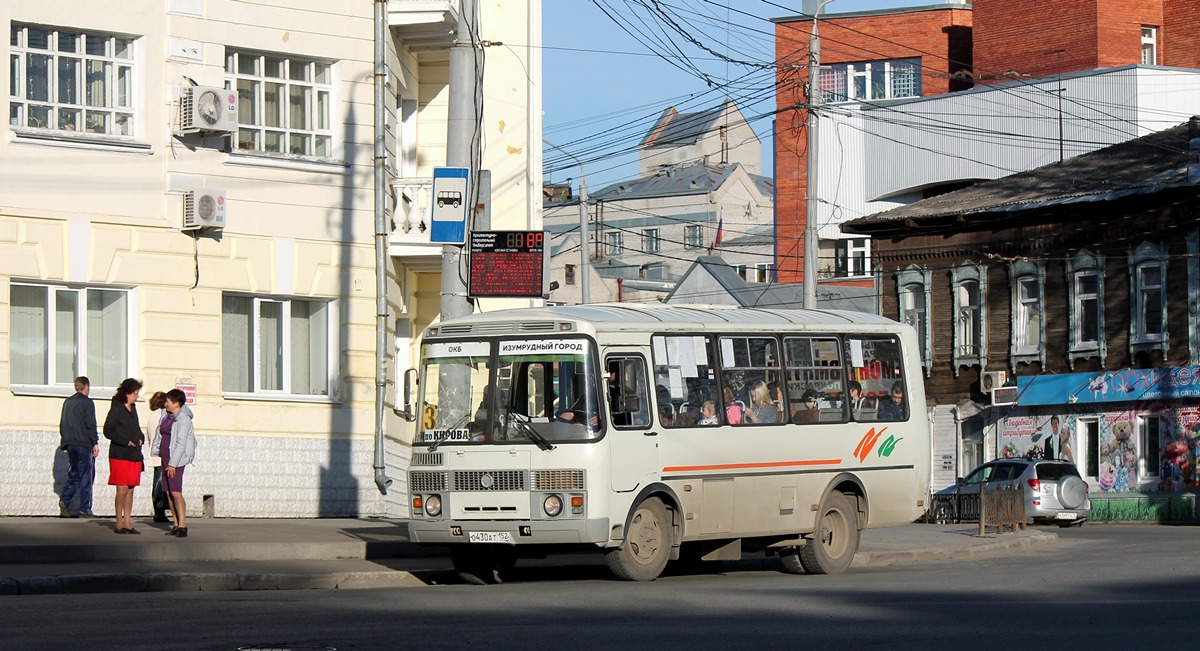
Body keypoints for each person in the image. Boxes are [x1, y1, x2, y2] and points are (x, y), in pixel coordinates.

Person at [152, 388, 197, 538]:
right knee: (169, 492)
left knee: (176, 492)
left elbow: (180, 443)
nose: (166, 403)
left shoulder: (183, 419)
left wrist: (173, 464)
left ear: (176, 403)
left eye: (169, 401)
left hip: (175, 460)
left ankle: (182, 524)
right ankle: (176, 523)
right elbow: (160, 433)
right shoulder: (167, 416)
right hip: (165, 457)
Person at [103, 378, 144, 534]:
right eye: (134, 393)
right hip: (120, 454)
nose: (136, 396)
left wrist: (141, 437)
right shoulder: (116, 409)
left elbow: (137, 428)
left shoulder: (133, 409)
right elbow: (108, 430)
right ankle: (119, 523)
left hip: (134, 454)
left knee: (131, 490)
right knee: (122, 490)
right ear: (126, 393)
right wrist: (126, 441)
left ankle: (127, 522)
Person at [58, 376, 98, 518]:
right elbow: (90, 424)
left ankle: (65, 499)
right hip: (83, 443)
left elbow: (63, 423)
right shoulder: (88, 403)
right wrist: (95, 442)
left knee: (74, 473)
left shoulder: (68, 402)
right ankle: (85, 509)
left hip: (70, 443)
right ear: (86, 386)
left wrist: (65, 441)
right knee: (86, 475)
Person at [144, 391, 171, 523]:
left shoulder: (151, 417)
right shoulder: (162, 416)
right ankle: (159, 512)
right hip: (162, 454)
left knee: (157, 482)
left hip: (154, 454)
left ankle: (158, 511)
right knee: (160, 484)